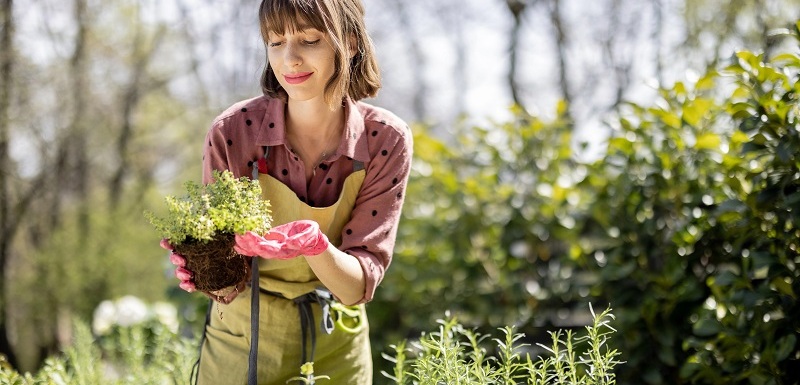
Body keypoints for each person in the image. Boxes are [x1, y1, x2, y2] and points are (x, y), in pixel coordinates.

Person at [159, 0, 412, 384]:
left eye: (309, 40)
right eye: (275, 42)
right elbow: (226, 273)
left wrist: (316, 246)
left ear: (350, 42)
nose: (289, 59)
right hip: (244, 336)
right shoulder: (233, 133)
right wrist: (205, 267)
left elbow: (357, 285)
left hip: (335, 343)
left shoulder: (384, 140)